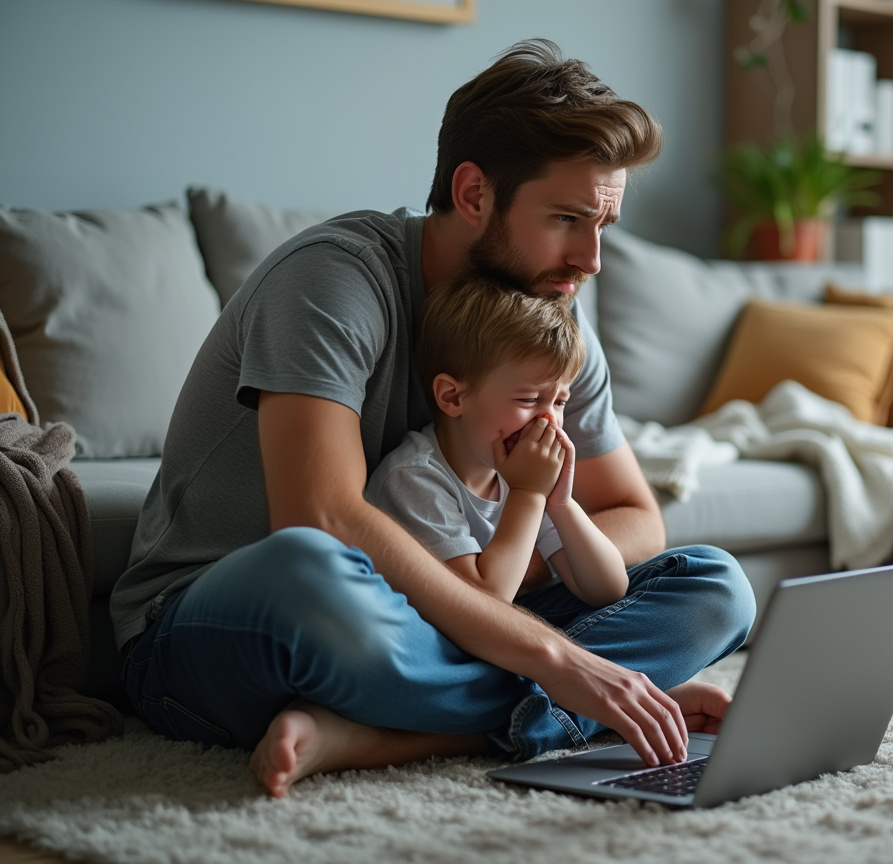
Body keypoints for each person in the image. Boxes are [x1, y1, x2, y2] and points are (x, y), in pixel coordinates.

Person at [109, 39, 756, 799]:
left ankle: (387, 734)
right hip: (223, 615)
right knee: (310, 569)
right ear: (475, 192)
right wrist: (559, 660)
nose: (591, 259)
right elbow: (320, 516)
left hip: (440, 609)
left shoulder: (549, 317)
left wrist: (490, 576)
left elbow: (634, 516)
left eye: (603, 225)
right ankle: (570, 708)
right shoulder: (333, 279)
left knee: (714, 585)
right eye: (567, 219)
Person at [364, 277, 629, 610]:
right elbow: (485, 604)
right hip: (435, 633)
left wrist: (561, 505)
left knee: (702, 571)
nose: (549, 420)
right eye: (530, 398)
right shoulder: (412, 478)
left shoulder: (523, 470)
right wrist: (529, 493)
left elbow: (608, 590)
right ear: (452, 397)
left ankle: (546, 656)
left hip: (508, 615)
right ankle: (550, 657)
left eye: (559, 402)